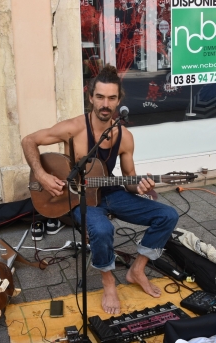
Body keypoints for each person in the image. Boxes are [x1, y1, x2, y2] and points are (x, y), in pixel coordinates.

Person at [21, 64, 178, 315]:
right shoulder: (74, 128)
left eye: (112, 98)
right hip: (76, 198)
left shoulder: (124, 137)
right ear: (91, 97)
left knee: (168, 215)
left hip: (109, 191)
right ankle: (108, 282)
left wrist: (141, 186)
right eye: (101, 97)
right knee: (103, 229)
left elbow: (129, 179)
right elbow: (29, 140)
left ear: (119, 100)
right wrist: (42, 175)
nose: (106, 104)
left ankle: (137, 269)